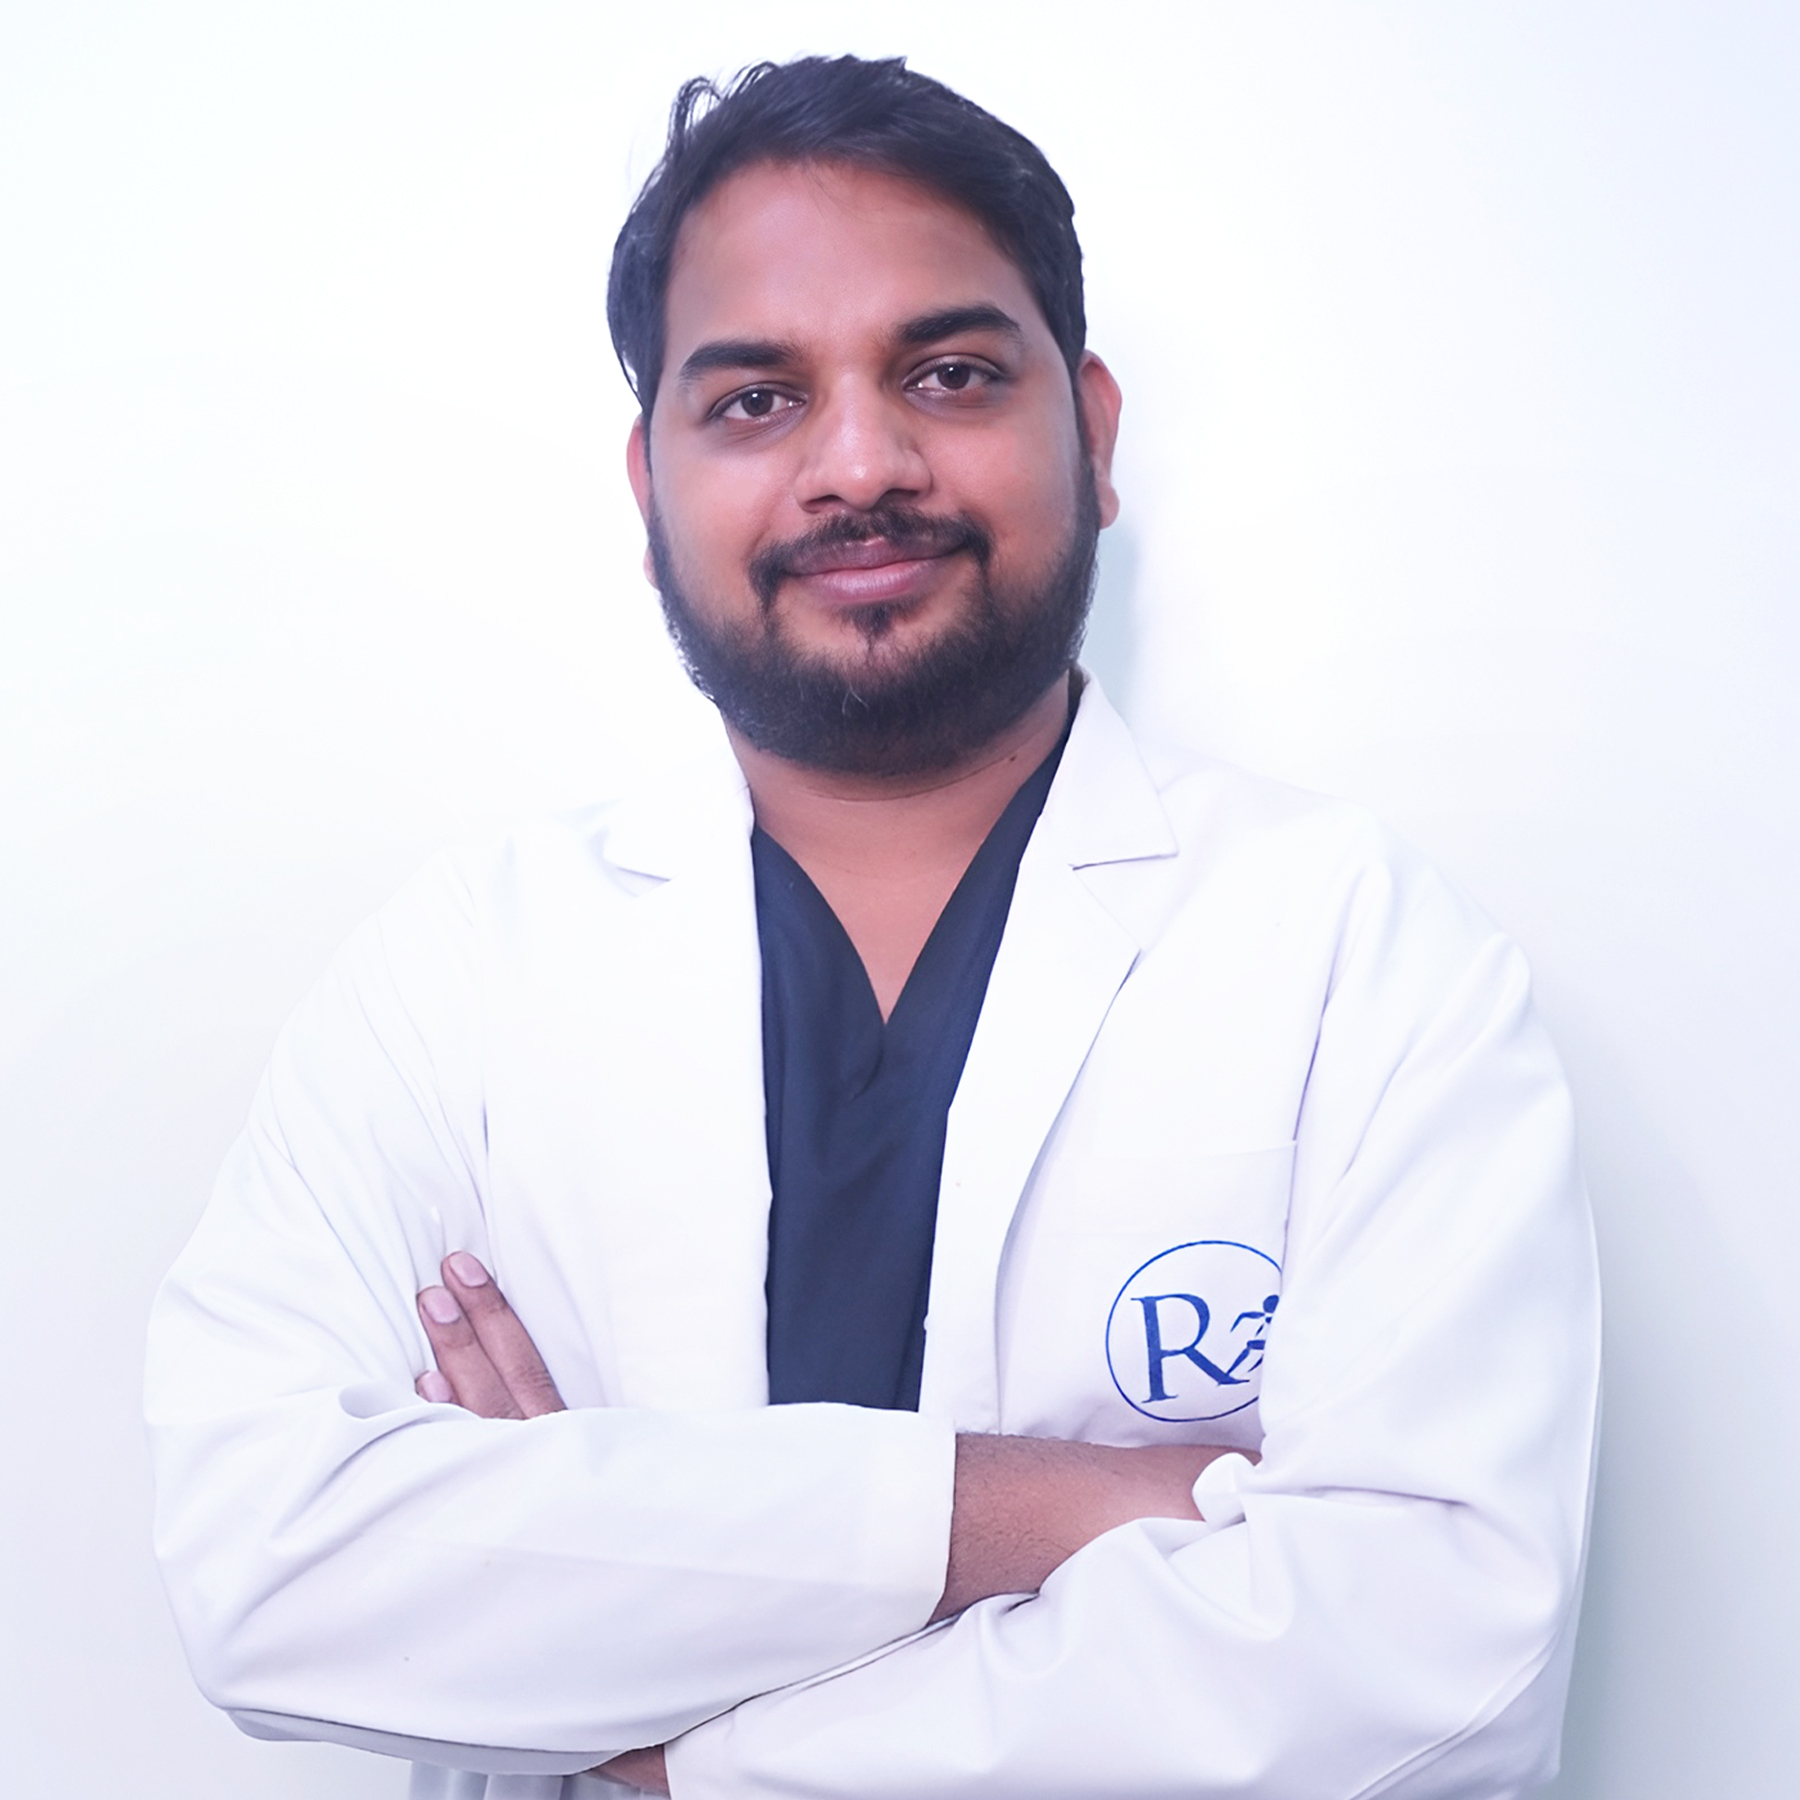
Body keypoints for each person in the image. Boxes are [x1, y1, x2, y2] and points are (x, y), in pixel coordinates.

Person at [146, 54, 1600, 1800]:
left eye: (952, 373)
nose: (861, 462)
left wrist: (662, 1728)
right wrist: (1046, 1509)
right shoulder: (460, 971)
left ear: (1096, 429)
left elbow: (1433, 1653)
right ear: (648, 483)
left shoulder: (1358, 954)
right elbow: (268, 1574)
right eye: (756, 400)